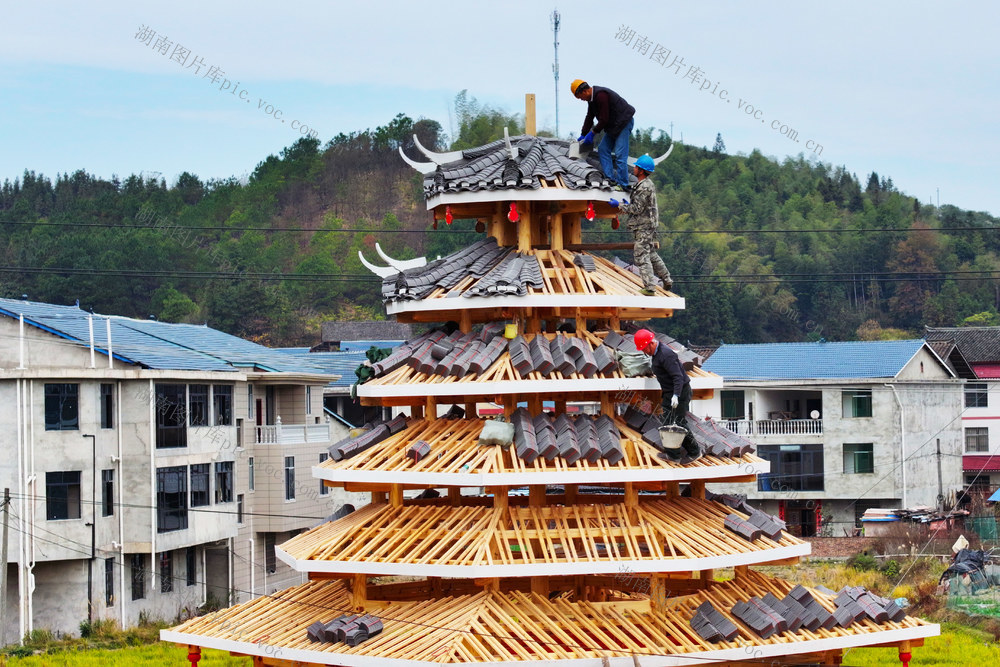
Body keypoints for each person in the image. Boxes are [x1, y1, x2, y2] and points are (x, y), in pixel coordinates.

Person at [633, 328, 701, 463]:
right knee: (667, 421)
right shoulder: (657, 354)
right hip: (669, 392)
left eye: (645, 348)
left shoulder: (665, 355)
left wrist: (676, 395)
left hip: (680, 391)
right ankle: (673, 455)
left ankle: (695, 452)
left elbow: (678, 377)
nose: (644, 351)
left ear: (651, 343)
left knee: (679, 423)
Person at [610, 154, 672, 293]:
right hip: (647, 225)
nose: (634, 168)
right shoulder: (645, 185)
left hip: (644, 227)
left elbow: (637, 208)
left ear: (642, 170)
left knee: (641, 255)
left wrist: (619, 205)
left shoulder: (644, 187)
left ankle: (650, 287)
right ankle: (667, 279)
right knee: (650, 253)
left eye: (637, 167)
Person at [570, 79, 635, 189]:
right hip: (613, 126)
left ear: (584, 92)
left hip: (624, 123)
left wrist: (592, 133)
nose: (581, 100)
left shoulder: (601, 96)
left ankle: (623, 184)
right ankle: (610, 178)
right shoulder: (591, 101)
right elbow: (589, 117)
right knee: (603, 149)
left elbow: (604, 119)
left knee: (620, 154)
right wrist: (583, 134)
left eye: (580, 97)